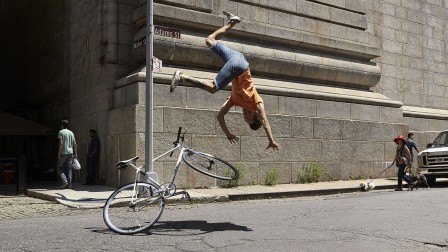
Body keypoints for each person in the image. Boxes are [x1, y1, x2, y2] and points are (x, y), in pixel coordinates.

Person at [170, 11, 280, 151]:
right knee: (212, 88)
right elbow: (265, 122)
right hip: (239, 67)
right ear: (255, 115)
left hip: (237, 59)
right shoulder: (257, 103)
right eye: (248, 116)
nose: (245, 115)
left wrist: (227, 134)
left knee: (209, 40)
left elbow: (220, 116)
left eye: (245, 118)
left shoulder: (235, 101)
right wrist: (271, 140)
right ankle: (182, 76)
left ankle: (232, 22)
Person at [57, 120, 77, 189]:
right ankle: (69, 185)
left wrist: (59, 153)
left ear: (62, 125)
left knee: (59, 168)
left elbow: (61, 143)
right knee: (69, 169)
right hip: (70, 152)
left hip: (63, 152)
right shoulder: (71, 133)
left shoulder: (61, 132)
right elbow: (75, 143)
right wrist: (76, 153)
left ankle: (65, 181)